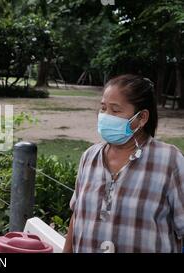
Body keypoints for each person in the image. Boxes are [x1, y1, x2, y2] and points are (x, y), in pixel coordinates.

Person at [63, 74, 184, 253]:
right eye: (103, 108)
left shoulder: (170, 161)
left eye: (115, 110)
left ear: (141, 117)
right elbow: (77, 216)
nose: (105, 116)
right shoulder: (90, 157)